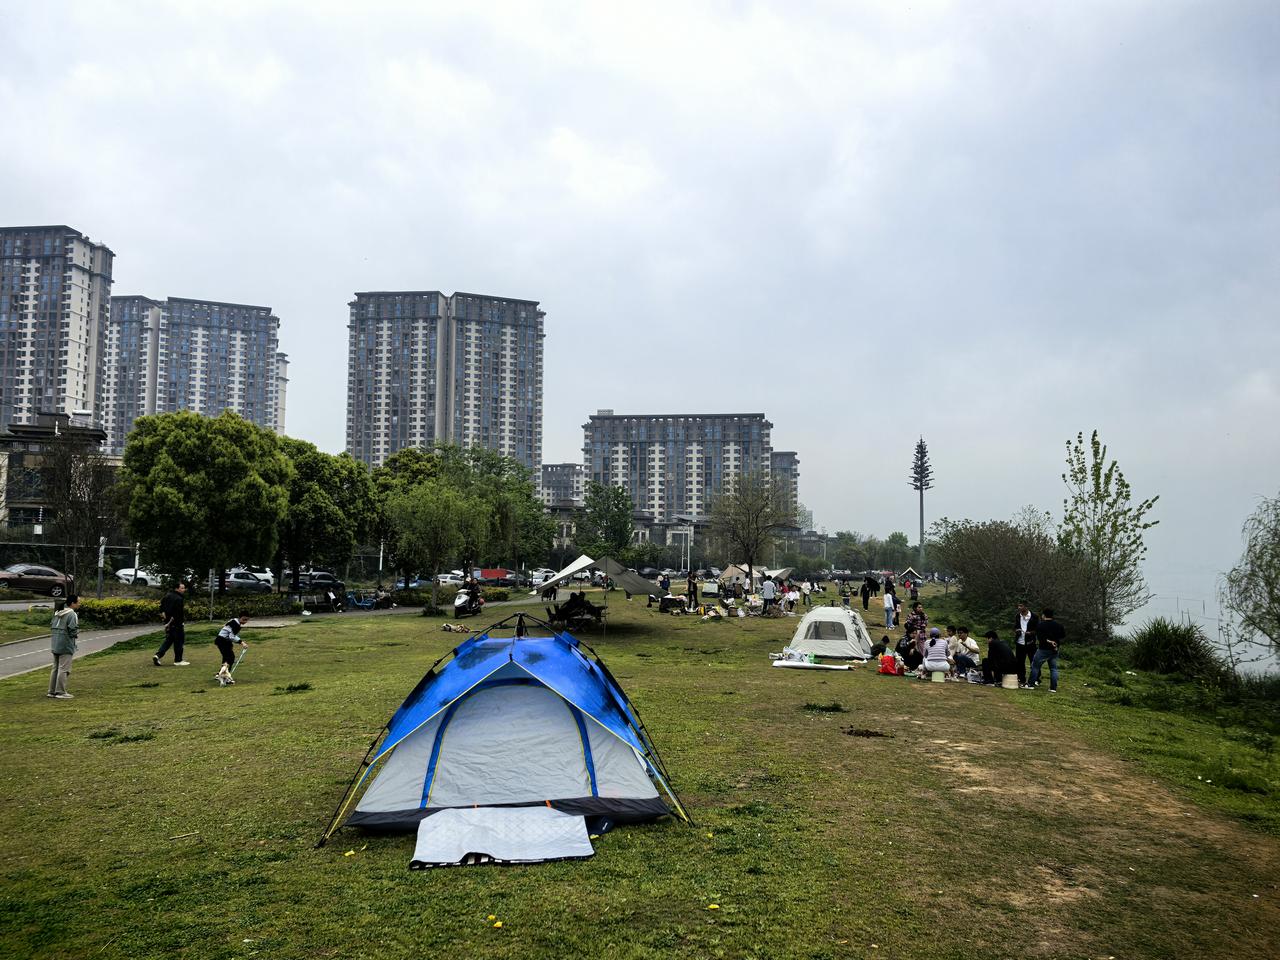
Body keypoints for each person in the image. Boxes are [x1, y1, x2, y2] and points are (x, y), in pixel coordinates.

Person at [48, 594, 81, 699]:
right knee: (64, 669)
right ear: (72, 603)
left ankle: (51, 691)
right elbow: (72, 630)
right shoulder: (72, 614)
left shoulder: (58, 613)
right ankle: (60, 692)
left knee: (55, 668)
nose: (79, 604)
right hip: (65, 644)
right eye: (78, 602)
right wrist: (75, 634)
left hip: (55, 643)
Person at [153, 581, 190, 666]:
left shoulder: (167, 596)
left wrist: (165, 620)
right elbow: (176, 614)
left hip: (168, 623)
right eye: (182, 588)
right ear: (177, 588)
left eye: (184, 588)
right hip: (176, 624)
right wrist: (168, 623)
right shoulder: (178, 599)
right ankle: (178, 660)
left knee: (169, 641)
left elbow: (161, 609)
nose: (184, 589)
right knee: (179, 641)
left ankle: (157, 655)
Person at [1028, 608, 1065, 693]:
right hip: (1054, 649)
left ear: (1044, 615)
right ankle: (1053, 688)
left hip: (1043, 649)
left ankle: (1030, 684)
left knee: (1035, 666)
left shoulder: (1040, 625)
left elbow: (1040, 637)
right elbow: (1062, 636)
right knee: (1053, 669)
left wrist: (1048, 640)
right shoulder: (1059, 625)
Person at [214, 615, 250, 686]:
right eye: (244, 619)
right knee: (230, 658)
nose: (245, 622)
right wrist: (241, 642)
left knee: (226, 657)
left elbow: (230, 634)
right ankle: (225, 677)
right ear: (240, 617)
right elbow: (231, 636)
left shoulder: (233, 620)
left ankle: (220, 674)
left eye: (246, 620)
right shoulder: (236, 625)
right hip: (223, 641)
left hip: (221, 640)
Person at [1013, 602, 1040, 687]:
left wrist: (1031, 633)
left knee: (1033, 661)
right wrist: (1016, 630)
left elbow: (1038, 629)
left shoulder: (1034, 617)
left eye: (1021, 606)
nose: (1019, 607)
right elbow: (1015, 626)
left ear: (1026, 607)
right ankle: (1021, 678)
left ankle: (1036, 679)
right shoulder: (1018, 616)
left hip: (1030, 642)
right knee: (1019, 661)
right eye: (1018, 605)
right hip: (1020, 642)